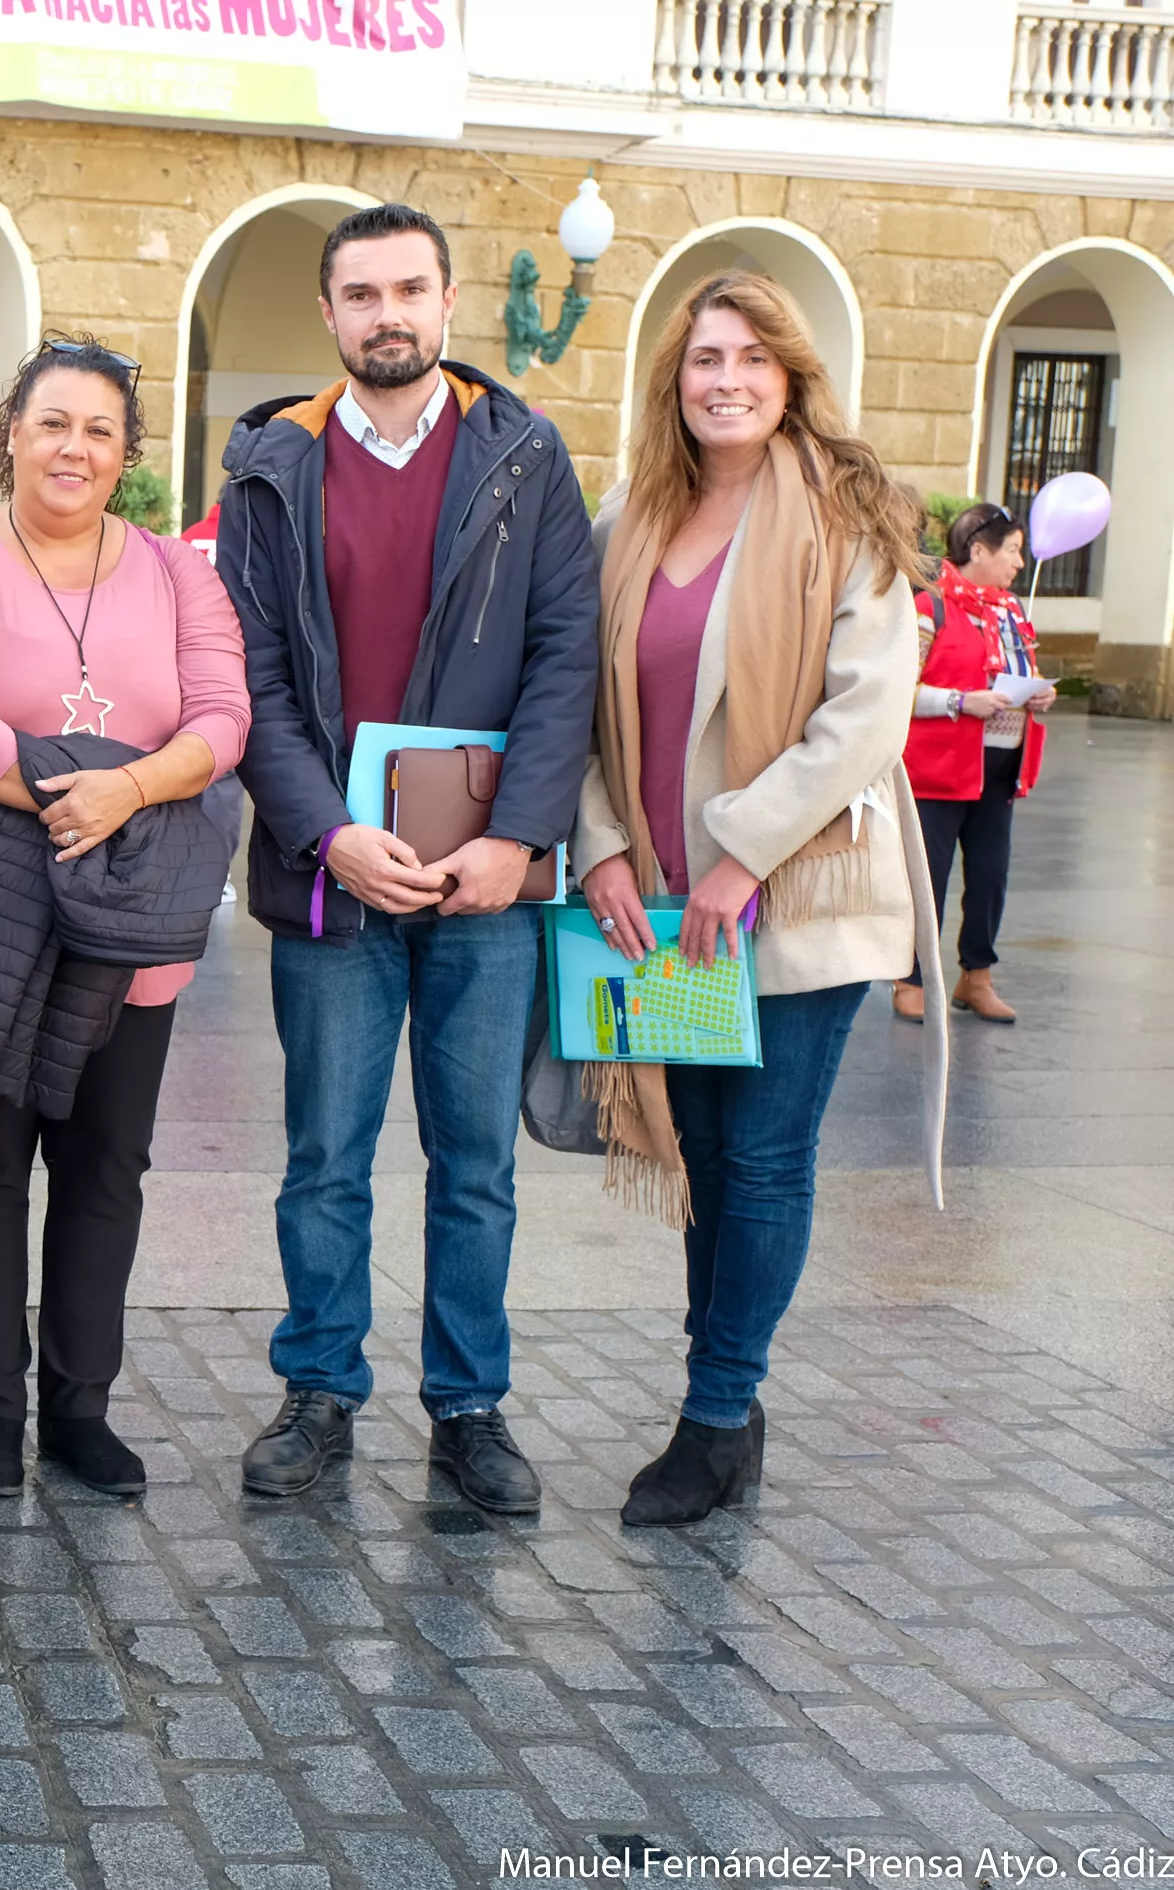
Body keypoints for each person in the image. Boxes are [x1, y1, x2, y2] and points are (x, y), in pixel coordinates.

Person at [217, 203, 600, 1517]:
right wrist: (324, 830)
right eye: (359, 293)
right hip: (335, 874)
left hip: (483, 882)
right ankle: (317, 1386)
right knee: (323, 1149)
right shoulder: (272, 463)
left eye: (407, 290)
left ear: (445, 306)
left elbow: (565, 653)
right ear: (326, 316)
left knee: (473, 1159)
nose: (385, 313)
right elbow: (248, 674)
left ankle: (468, 1404)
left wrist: (517, 837)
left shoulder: (526, 456)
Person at [574, 271, 943, 1528]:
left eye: (748, 358)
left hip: (802, 897)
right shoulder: (631, 510)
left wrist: (742, 853)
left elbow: (864, 713)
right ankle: (726, 1394)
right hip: (662, 906)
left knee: (767, 1160)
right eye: (701, 359)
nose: (723, 379)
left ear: (789, 375)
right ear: (672, 380)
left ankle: (715, 1413)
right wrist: (602, 845)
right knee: (706, 1160)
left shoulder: (847, 511)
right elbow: (573, 691)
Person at [0, 335, 250, 1500]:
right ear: (12, 435)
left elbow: (224, 718)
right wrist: (71, 796)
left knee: (106, 1168)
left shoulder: (179, 572)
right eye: (53, 423)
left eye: (99, 429)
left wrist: (128, 789)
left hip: (129, 919)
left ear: (126, 452)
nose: (74, 448)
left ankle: (79, 1409)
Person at [897, 501, 1047, 1025]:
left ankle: (975, 976)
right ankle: (912, 977)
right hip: (937, 770)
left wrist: (1036, 694)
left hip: (1000, 771)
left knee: (990, 876)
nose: (1019, 563)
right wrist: (961, 702)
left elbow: (1014, 674)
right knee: (929, 878)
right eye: (1013, 551)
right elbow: (897, 690)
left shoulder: (1012, 611)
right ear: (978, 549)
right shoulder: (929, 606)